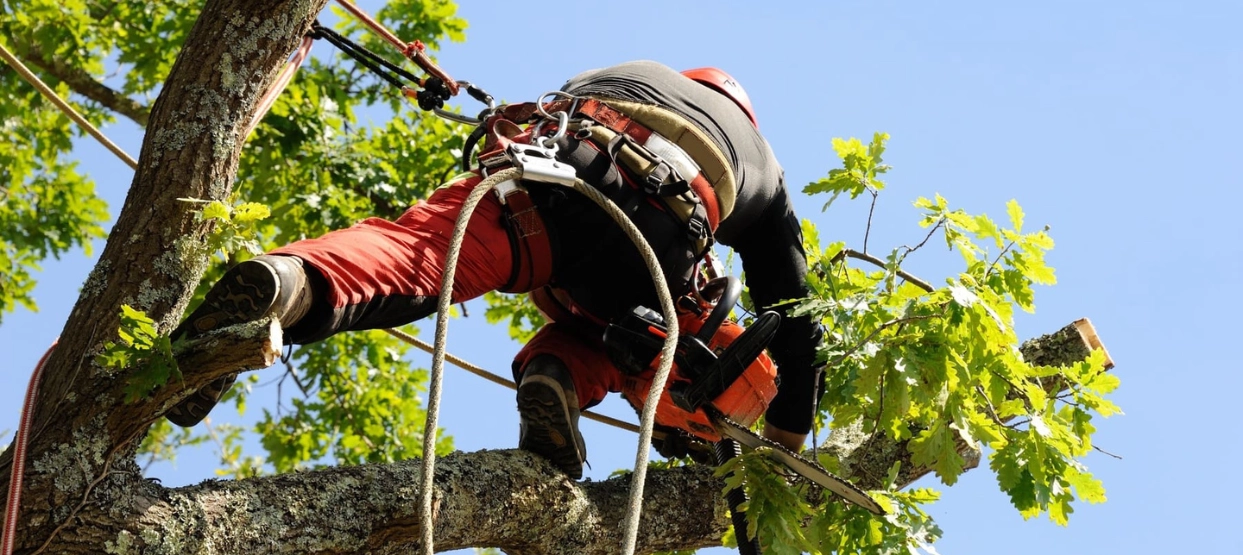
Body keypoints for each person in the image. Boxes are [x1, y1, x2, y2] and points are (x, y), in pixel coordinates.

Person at [168, 61, 823, 480]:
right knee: (661, 334)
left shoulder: (630, 72)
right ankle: (561, 378)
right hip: (663, 237)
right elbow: (796, 314)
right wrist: (787, 436)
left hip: (557, 172)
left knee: (416, 253)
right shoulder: (759, 161)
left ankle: (287, 282)